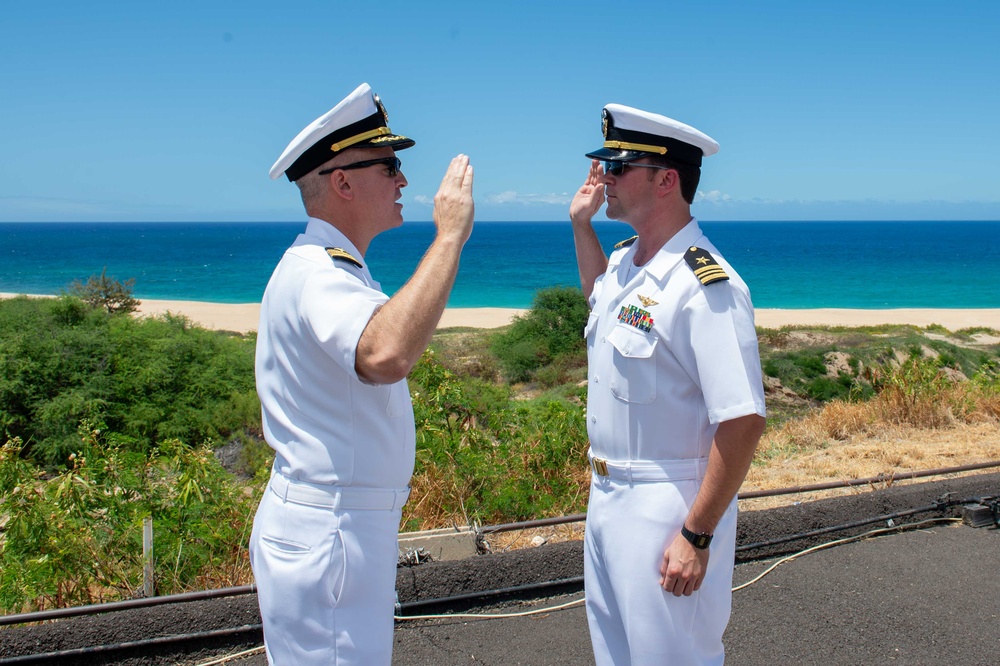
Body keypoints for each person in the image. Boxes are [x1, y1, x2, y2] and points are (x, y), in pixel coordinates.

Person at [249, 82, 474, 665]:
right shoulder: (319, 272)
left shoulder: (336, 270)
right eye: (389, 165)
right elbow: (385, 354)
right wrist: (449, 237)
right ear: (342, 182)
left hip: (340, 528)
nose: (403, 180)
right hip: (331, 531)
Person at [569, 103, 767, 665]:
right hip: (606, 495)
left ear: (666, 180)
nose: (604, 177)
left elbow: (744, 418)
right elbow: (601, 306)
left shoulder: (705, 284)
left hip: (667, 504)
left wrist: (696, 535)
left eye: (618, 166)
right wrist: (581, 226)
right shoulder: (628, 262)